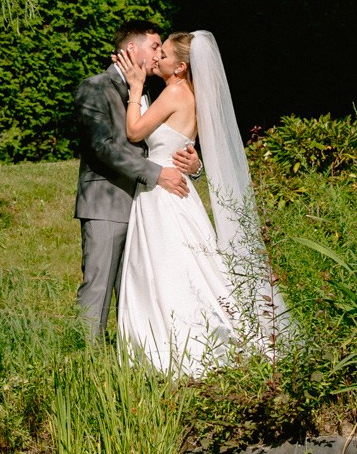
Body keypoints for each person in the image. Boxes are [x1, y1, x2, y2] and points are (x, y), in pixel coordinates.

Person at [113, 32, 242, 374]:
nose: (157, 58)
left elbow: (135, 133)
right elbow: (186, 147)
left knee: (163, 268)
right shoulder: (195, 95)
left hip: (162, 196)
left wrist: (136, 86)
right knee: (187, 265)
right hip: (181, 189)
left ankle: (167, 348)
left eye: (164, 55)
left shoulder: (172, 91)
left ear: (181, 67)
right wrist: (195, 165)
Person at [73, 21, 202, 339]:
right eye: (156, 46)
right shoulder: (95, 88)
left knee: (139, 288)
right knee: (99, 286)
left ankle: (132, 355)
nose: (159, 54)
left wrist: (195, 164)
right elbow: (104, 147)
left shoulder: (151, 91)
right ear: (132, 49)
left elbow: (169, 142)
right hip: (109, 202)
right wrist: (158, 175)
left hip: (151, 208)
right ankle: (88, 363)